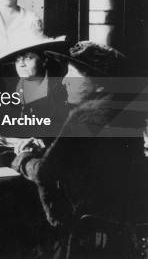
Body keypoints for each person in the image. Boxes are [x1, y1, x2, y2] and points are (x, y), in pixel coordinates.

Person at [12, 42, 148, 254]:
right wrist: (47, 147)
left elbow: (45, 172)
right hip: (120, 237)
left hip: (83, 238)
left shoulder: (85, 117)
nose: (65, 80)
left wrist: (24, 157)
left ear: (100, 85)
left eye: (73, 75)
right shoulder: (122, 114)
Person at [0, 35, 67, 131]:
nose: (21, 64)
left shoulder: (60, 89)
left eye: (28, 58)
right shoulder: (8, 90)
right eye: (17, 59)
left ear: (44, 60)